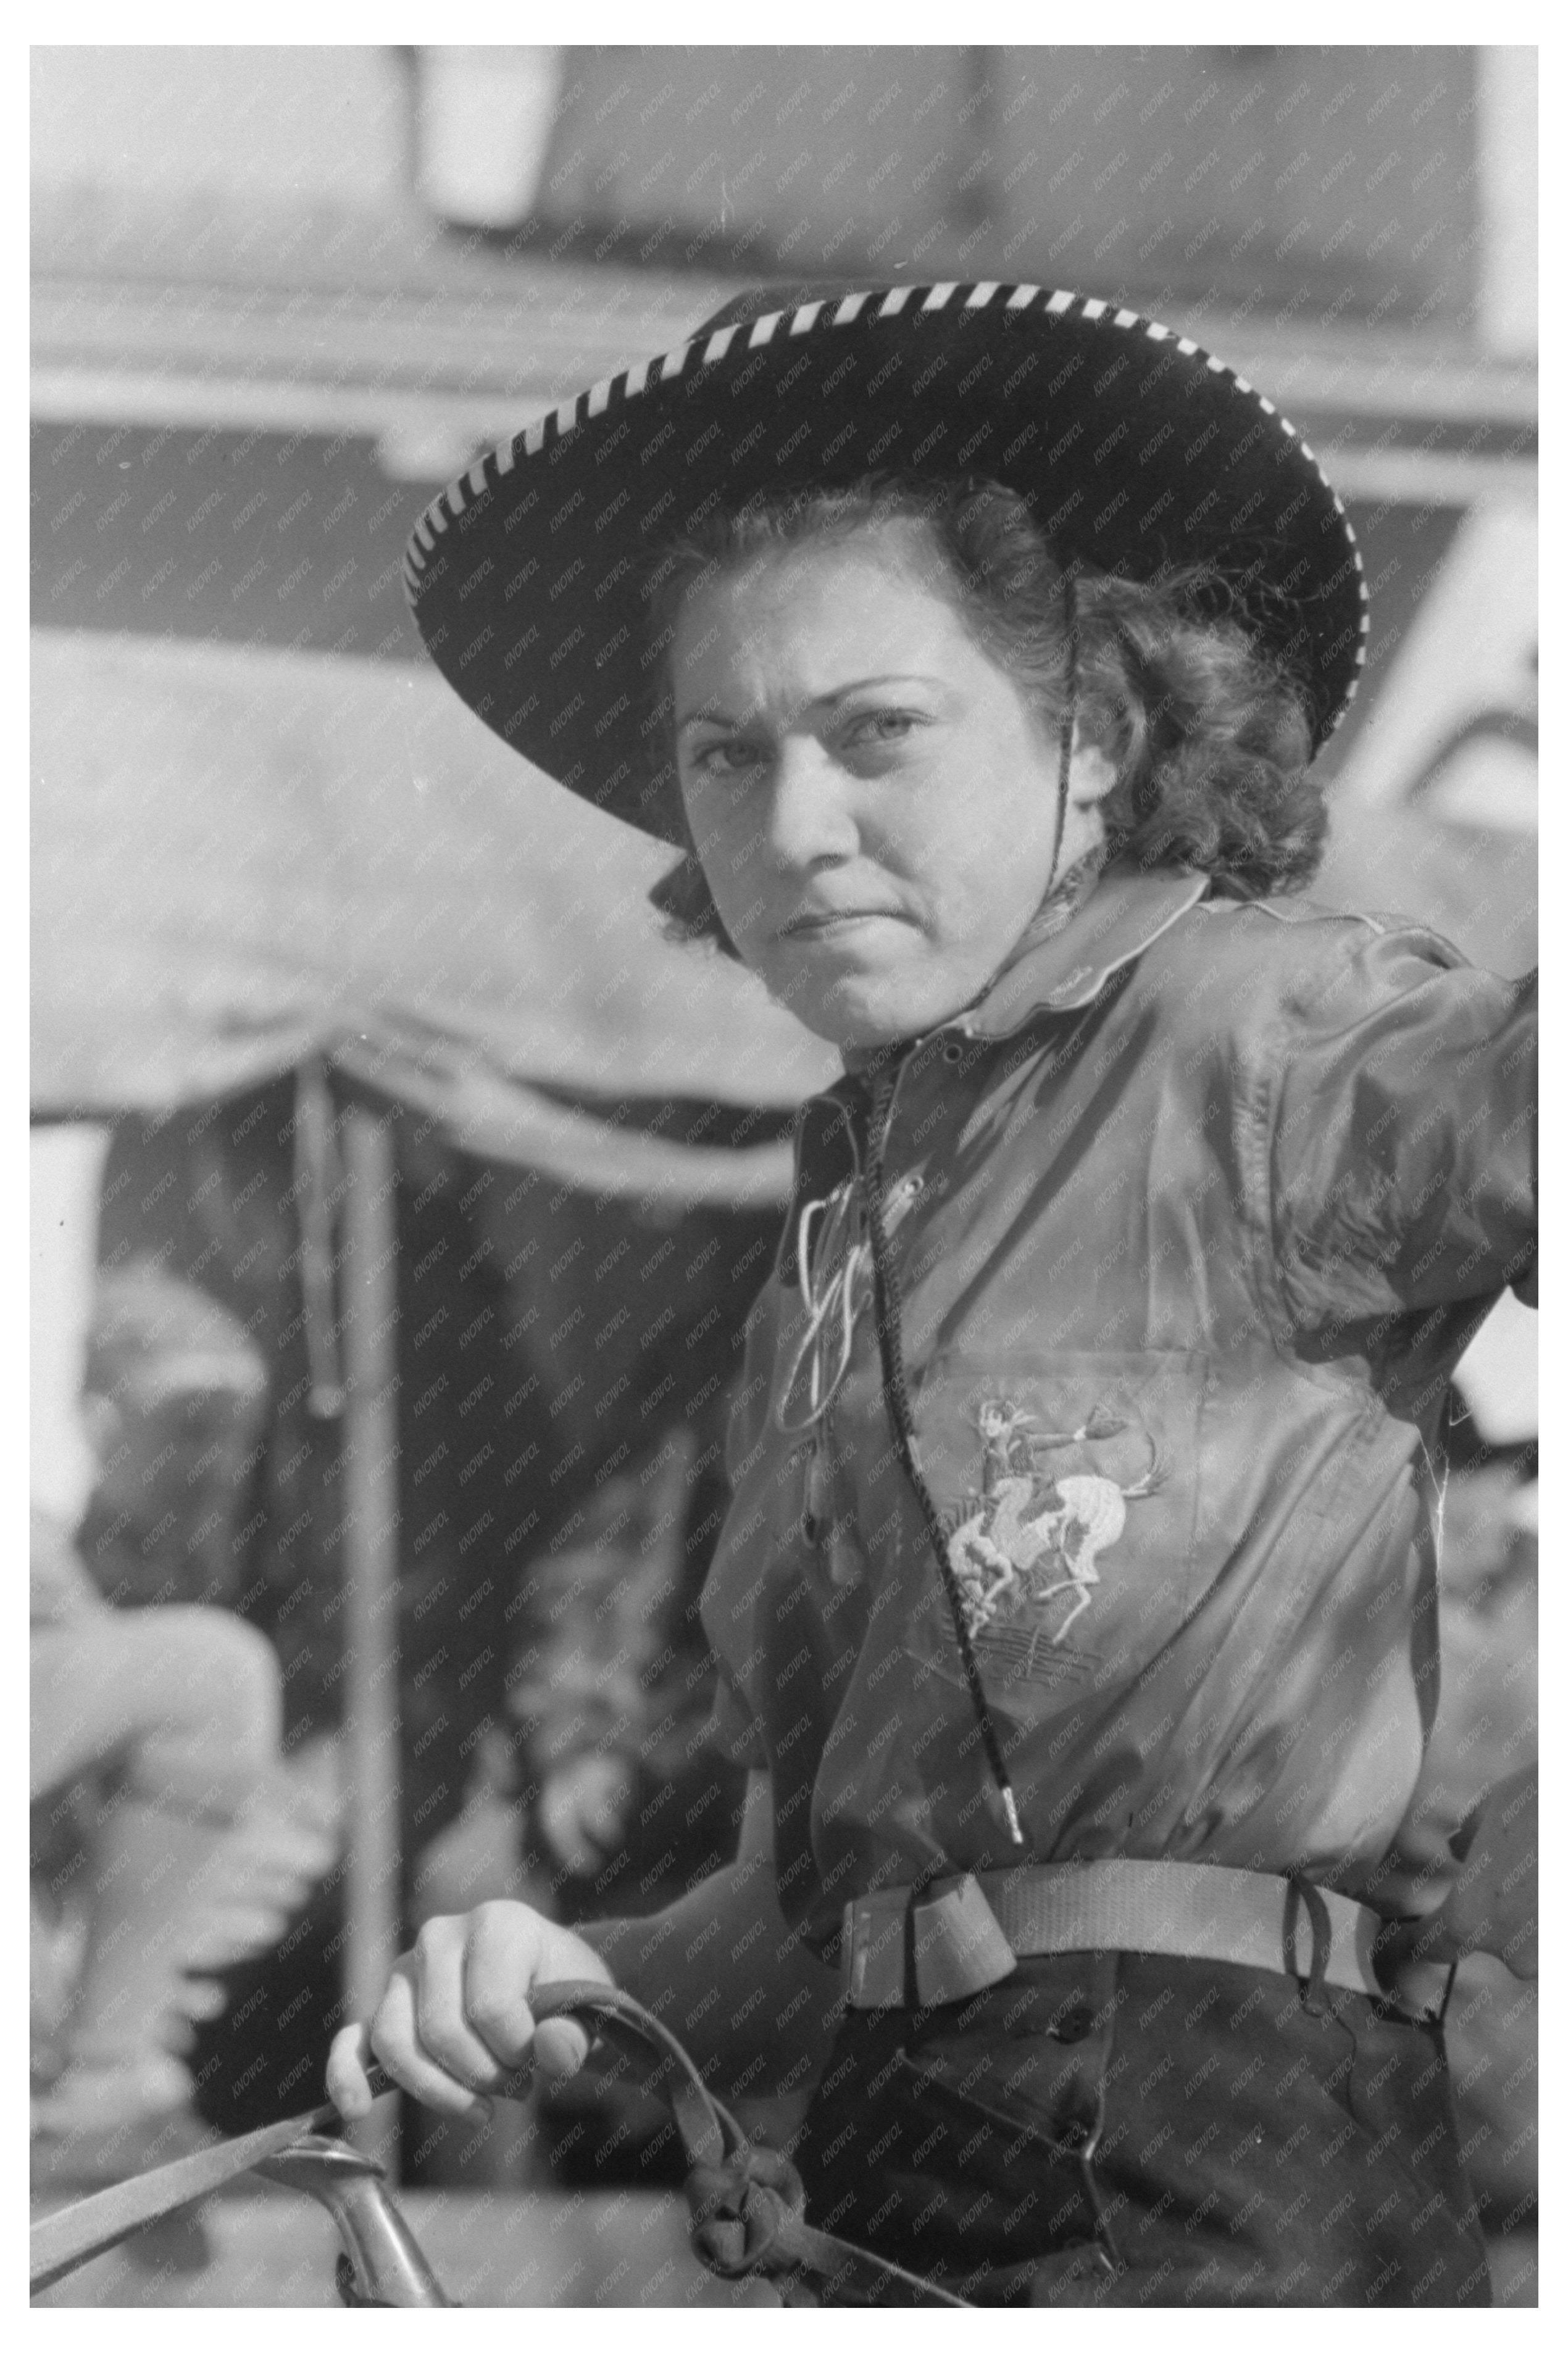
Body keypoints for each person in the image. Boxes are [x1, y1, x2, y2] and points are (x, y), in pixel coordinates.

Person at [330, 281, 1537, 2306]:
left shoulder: (1268, 1028)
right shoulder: (826, 1247)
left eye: (876, 731)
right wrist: (584, 1973)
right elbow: (828, 1917)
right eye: (727, 755)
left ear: (1095, 736)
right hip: (888, 2167)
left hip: (1215, 2171)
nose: (787, 831)